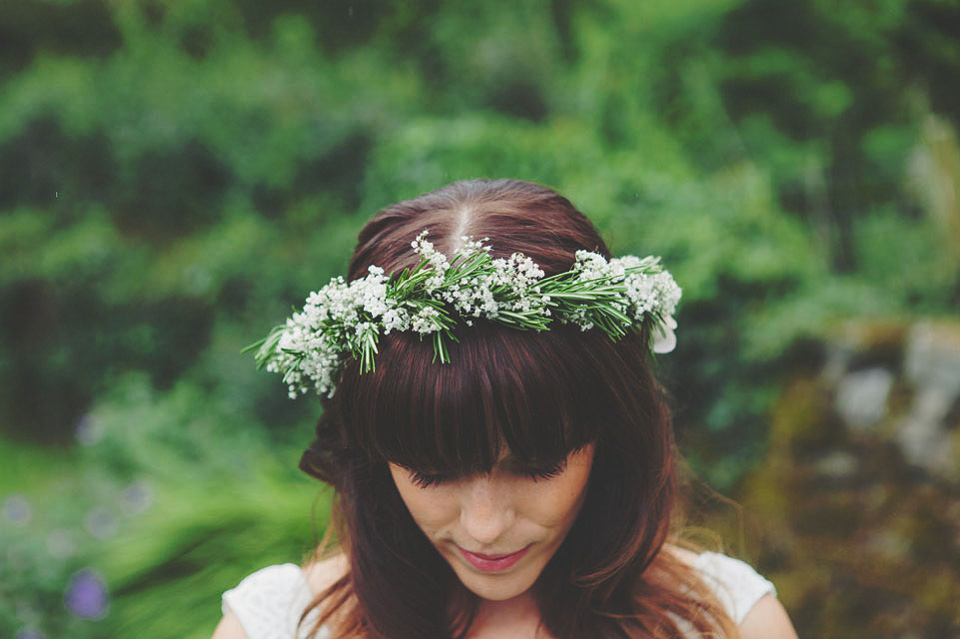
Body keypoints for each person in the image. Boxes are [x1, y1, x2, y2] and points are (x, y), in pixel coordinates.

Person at [212, 179, 798, 639]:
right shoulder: (277, 628)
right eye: (433, 471)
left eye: (536, 464)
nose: (486, 527)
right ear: (373, 450)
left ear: (611, 432)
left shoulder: (725, 625)